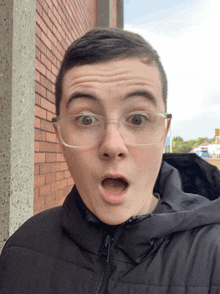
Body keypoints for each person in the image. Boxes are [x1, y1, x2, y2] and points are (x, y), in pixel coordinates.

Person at [1, 28, 220, 294]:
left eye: (137, 119)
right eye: (86, 119)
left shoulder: (213, 256)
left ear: (164, 132)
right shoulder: (21, 249)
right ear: (59, 136)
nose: (113, 145)